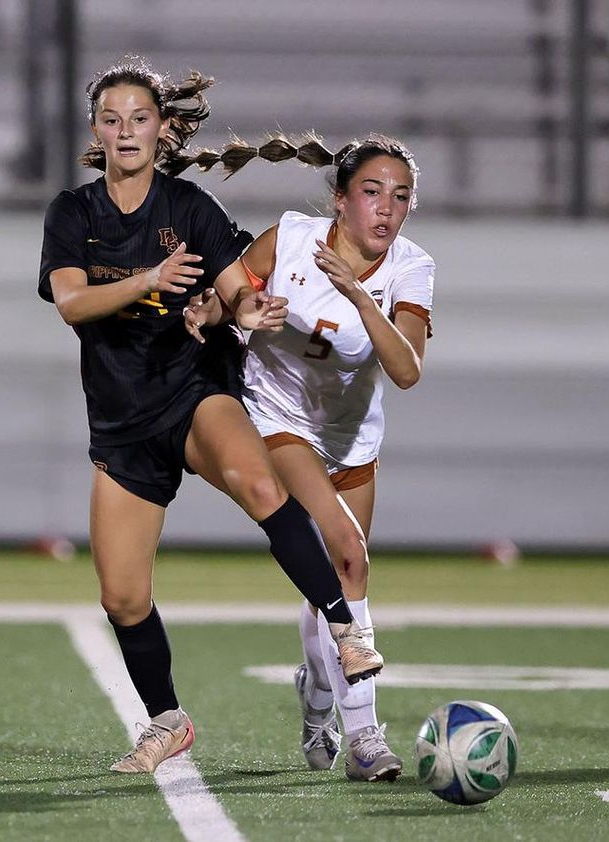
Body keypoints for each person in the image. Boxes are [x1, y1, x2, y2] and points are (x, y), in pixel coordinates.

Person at [37, 57, 383, 774]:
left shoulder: (188, 207)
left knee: (259, 484)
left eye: (139, 118)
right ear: (95, 131)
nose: (125, 131)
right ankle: (167, 721)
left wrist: (249, 309)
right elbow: (71, 301)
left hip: (195, 387)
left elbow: (236, 287)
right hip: (122, 419)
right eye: (111, 119)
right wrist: (148, 280)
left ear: (162, 128)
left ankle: (345, 629)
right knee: (122, 596)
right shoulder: (73, 213)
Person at [185, 134, 434, 781]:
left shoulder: (411, 267)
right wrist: (216, 312)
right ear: (341, 199)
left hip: (351, 438)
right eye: (372, 193)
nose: (386, 209)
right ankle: (366, 737)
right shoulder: (292, 238)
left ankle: (320, 694)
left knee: (337, 579)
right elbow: (227, 299)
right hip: (276, 420)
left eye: (400, 196)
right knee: (349, 553)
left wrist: (358, 295)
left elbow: (407, 369)